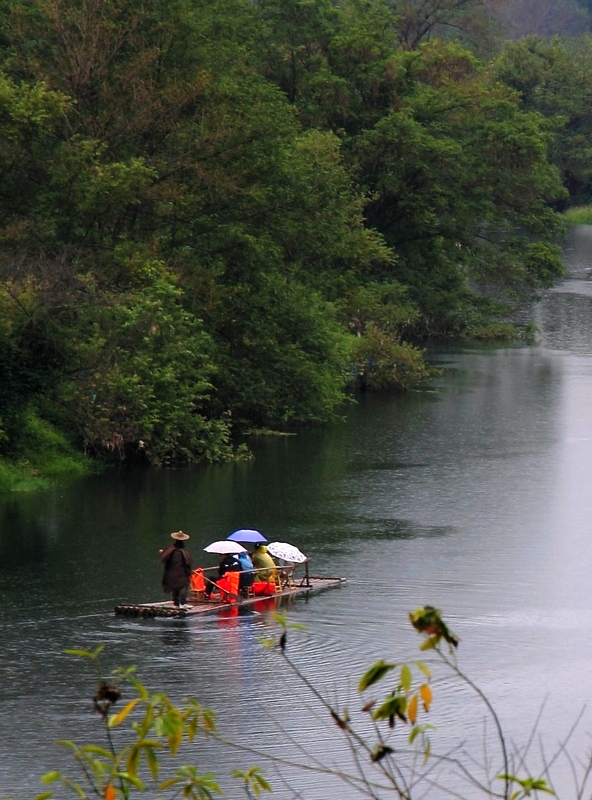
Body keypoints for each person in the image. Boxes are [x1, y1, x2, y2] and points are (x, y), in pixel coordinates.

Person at [159, 531, 192, 608]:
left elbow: (165, 558)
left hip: (172, 572)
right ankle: (182, 603)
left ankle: (177, 603)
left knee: (175, 587)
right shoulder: (183, 550)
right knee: (183, 587)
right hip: (181, 572)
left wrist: (162, 552)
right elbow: (188, 563)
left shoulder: (171, 549)